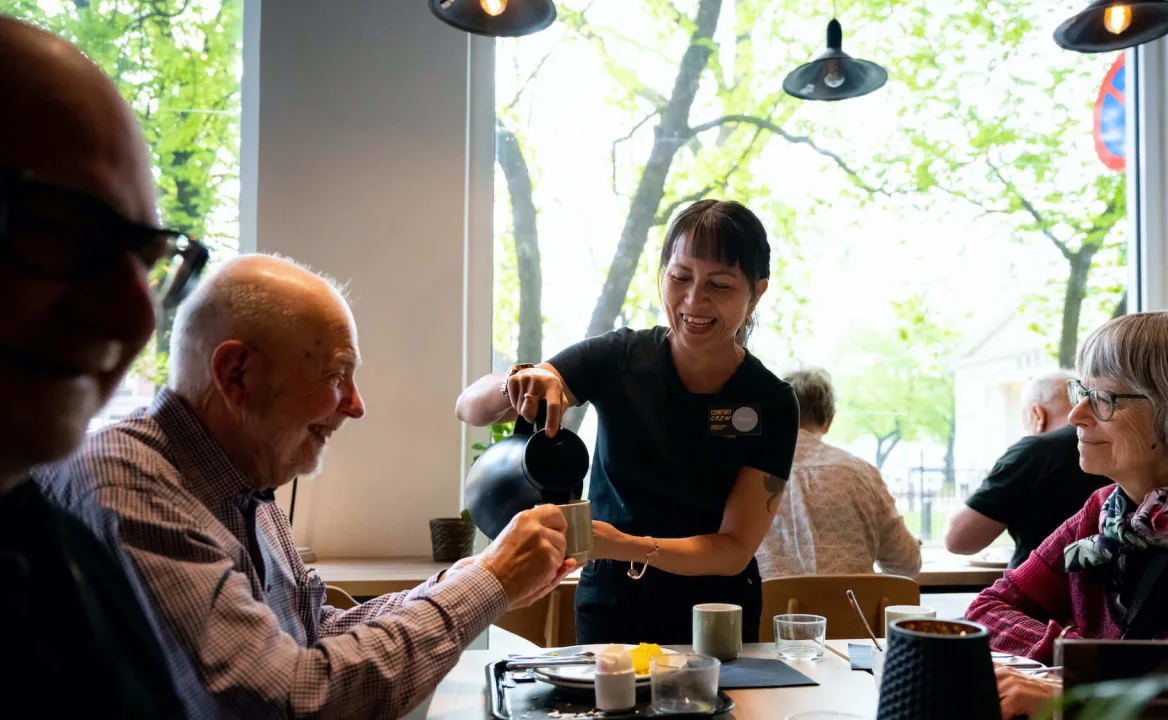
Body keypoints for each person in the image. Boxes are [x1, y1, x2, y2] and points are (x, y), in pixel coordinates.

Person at [41, 254, 576, 718]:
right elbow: (290, 701)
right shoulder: (127, 482)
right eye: (337, 375)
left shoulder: (246, 479)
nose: (356, 405)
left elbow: (310, 632)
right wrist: (488, 583)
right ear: (237, 375)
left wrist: (465, 578)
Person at [457, 199, 800, 645]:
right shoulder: (619, 358)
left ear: (757, 293)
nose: (694, 300)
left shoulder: (770, 401)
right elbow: (470, 407)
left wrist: (622, 544)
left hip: (715, 617)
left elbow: (733, 549)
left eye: (719, 284)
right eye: (680, 278)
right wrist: (518, 382)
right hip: (613, 606)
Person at [0, 15, 204, 717]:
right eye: (58, 228)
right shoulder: (128, 483)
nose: (137, 317)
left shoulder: (62, 560)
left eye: (148, 262)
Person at [964, 311, 1168, 719]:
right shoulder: (1103, 512)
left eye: (1102, 399)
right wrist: (1079, 664)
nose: (1076, 416)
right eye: (1081, 391)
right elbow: (987, 611)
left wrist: (1089, 689)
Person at [755, 369, 920, 579]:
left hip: (771, 611)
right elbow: (907, 564)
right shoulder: (862, 474)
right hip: (854, 610)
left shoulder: (750, 472)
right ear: (829, 419)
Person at [945, 370, 1109, 568]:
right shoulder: (1115, 446)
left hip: (1038, 590)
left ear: (1036, 414)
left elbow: (959, 540)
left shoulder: (1033, 451)